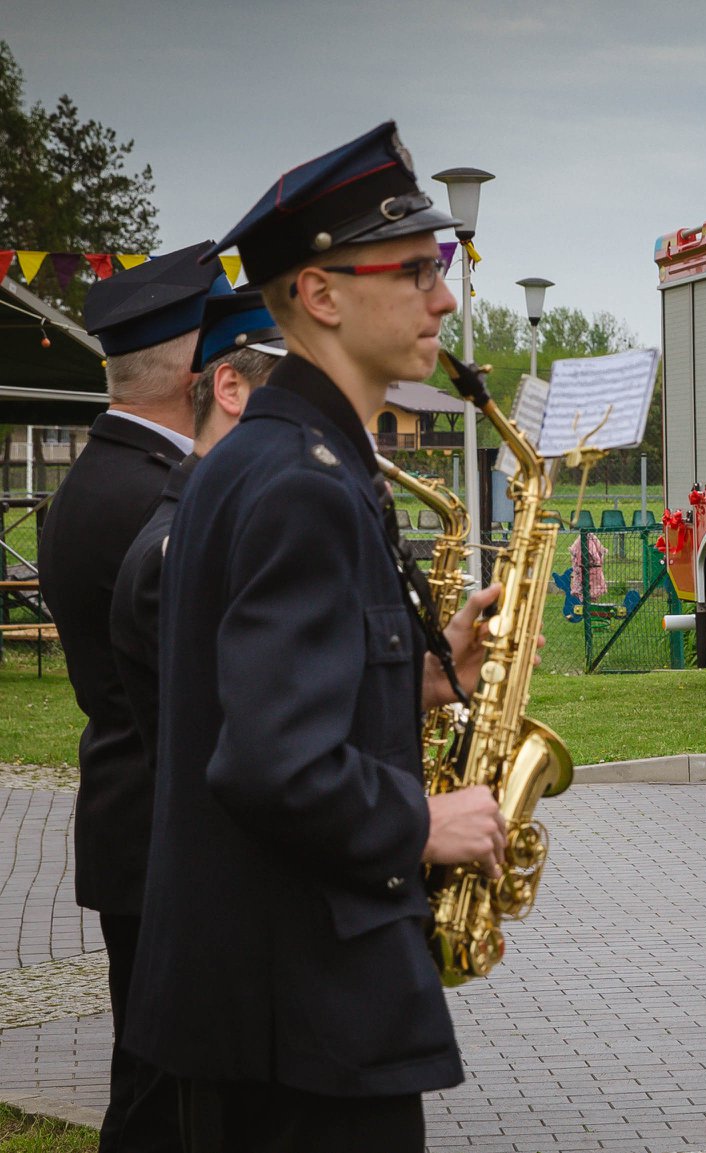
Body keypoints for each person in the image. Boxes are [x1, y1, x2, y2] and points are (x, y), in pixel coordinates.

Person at [124, 121, 507, 1152]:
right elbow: (271, 762)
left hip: (265, 1013)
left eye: (440, 264)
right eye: (416, 269)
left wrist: (416, 681)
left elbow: (243, 697)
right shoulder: (303, 484)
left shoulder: (260, 460)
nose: (443, 297)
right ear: (321, 294)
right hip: (303, 1023)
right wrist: (421, 821)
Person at [36, 241, 228, 1153]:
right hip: (164, 820)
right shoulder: (156, 495)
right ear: (197, 372)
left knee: (158, 1085)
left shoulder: (95, 477)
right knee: (161, 1105)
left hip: (130, 808)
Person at [110, 288, 283, 800]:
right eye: (302, 396)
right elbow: (259, 748)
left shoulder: (220, 526)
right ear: (230, 389)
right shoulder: (181, 550)